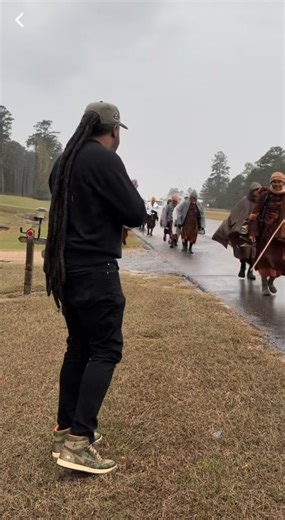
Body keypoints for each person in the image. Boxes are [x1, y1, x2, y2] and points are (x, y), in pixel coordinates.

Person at [44, 101, 146, 474]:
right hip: (95, 270)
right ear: (114, 129)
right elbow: (136, 213)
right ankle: (79, 441)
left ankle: (64, 430)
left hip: (65, 269)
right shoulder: (104, 159)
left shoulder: (65, 161)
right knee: (105, 349)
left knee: (79, 348)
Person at [212, 182, 261, 279]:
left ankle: (250, 271)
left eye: (259, 191)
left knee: (254, 253)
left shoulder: (262, 202)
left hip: (256, 231)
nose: (257, 193)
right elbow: (235, 213)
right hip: (243, 231)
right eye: (255, 190)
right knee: (245, 252)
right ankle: (242, 266)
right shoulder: (244, 201)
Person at [248, 172, 285, 295]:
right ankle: (264, 286)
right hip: (265, 231)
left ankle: (271, 281)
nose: (277, 184)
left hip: (280, 234)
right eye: (274, 181)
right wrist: (252, 231)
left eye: (279, 181)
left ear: (283, 182)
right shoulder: (265, 195)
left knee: (277, 260)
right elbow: (255, 214)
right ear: (271, 183)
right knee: (264, 258)